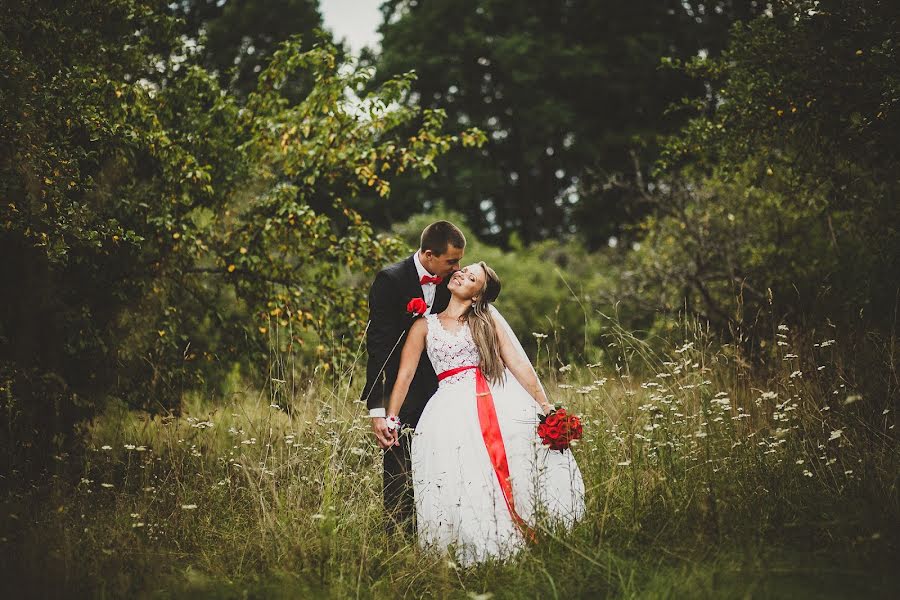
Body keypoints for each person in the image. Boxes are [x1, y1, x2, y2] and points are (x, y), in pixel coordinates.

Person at [384, 262, 585, 565]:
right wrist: (391, 418)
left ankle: (525, 536)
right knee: (460, 476)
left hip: (495, 399)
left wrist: (547, 408)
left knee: (508, 467)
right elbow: (405, 375)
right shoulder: (424, 326)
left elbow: (518, 364)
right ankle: (472, 546)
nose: (461, 274)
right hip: (448, 410)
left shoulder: (486, 321)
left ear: (477, 296)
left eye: (471, 277)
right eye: (463, 270)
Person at [362, 221, 466, 534]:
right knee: (398, 471)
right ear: (429, 254)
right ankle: (396, 543)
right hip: (401, 393)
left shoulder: (454, 282)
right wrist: (378, 410)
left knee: (444, 467)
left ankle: (441, 532)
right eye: (451, 261)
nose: (458, 268)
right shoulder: (390, 280)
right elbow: (378, 347)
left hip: (445, 392)